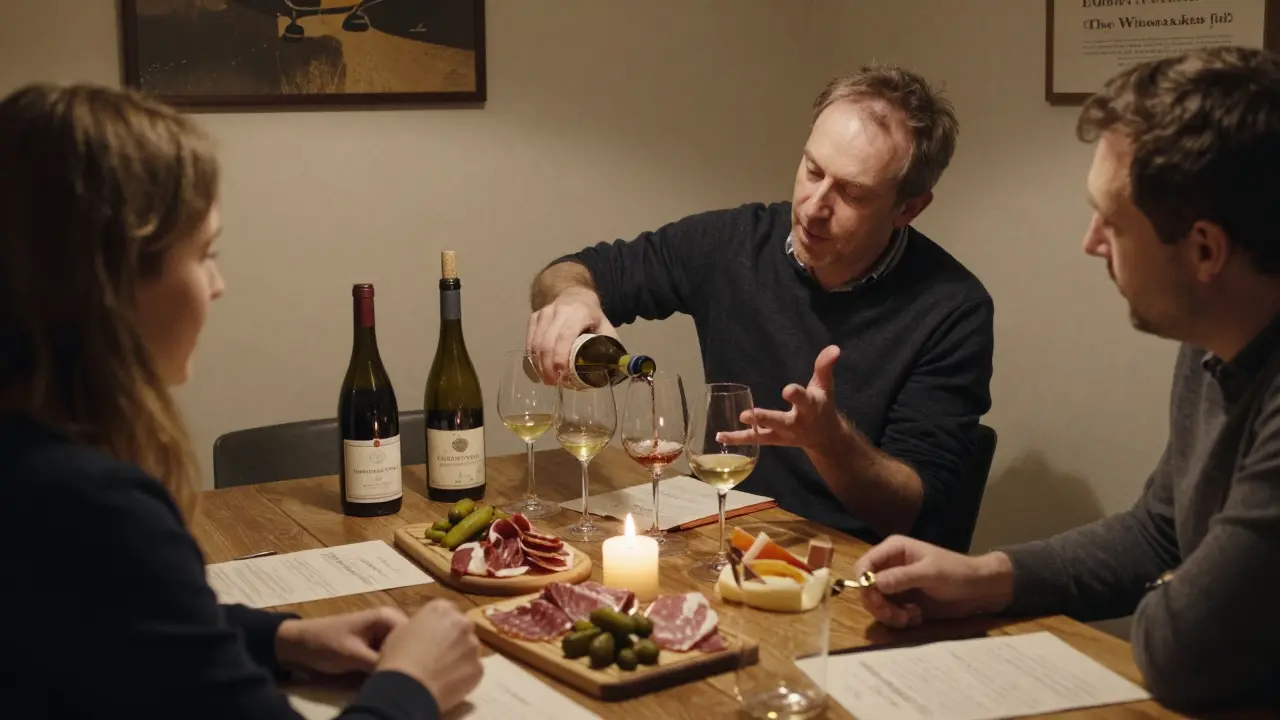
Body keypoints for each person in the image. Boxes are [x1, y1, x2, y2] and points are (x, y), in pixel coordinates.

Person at [0, 84, 483, 719]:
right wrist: (413, 682)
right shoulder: (96, 508)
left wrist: (279, 637)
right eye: (205, 254)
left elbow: (110, 620)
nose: (219, 285)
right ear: (110, 280)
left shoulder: (31, 463)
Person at [852, 46, 1280, 711]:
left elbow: (1184, 653)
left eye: (1111, 219)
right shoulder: (1216, 338)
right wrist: (986, 575)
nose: (1090, 241)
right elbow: (1159, 534)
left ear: (1204, 251)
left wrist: (1175, 592)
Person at [526, 65, 994, 543]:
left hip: (848, 567)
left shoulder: (953, 309)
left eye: (852, 193)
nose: (814, 207)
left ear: (908, 209)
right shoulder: (732, 243)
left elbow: (910, 508)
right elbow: (573, 270)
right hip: (726, 535)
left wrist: (830, 443)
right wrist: (572, 297)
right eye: (812, 170)